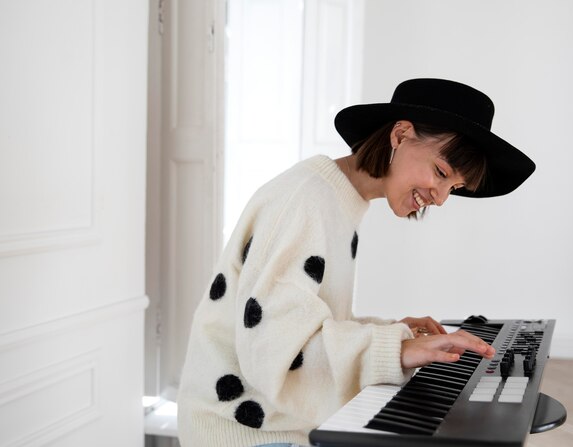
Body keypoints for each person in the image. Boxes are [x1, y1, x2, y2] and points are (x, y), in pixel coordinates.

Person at [177, 78, 535, 447]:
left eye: (454, 188)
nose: (441, 198)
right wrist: (393, 348)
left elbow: (294, 321)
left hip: (276, 425)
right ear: (400, 135)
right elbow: (273, 349)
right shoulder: (305, 201)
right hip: (242, 433)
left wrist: (387, 330)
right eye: (441, 173)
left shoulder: (337, 199)